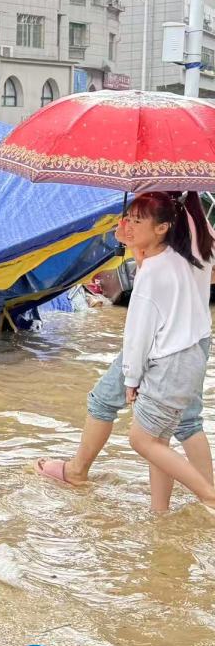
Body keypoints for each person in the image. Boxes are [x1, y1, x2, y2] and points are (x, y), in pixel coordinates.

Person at [37, 192, 215, 511]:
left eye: (136, 220)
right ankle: (164, 511)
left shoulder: (160, 256)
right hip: (193, 342)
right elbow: (168, 270)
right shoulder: (197, 232)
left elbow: (139, 330)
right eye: (128, 218)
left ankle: (208, 496)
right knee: (172, 430)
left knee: (139, 434)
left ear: (162, 226)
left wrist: (132, 377)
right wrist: (134, 242)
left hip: (165, 348)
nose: (129, 224)